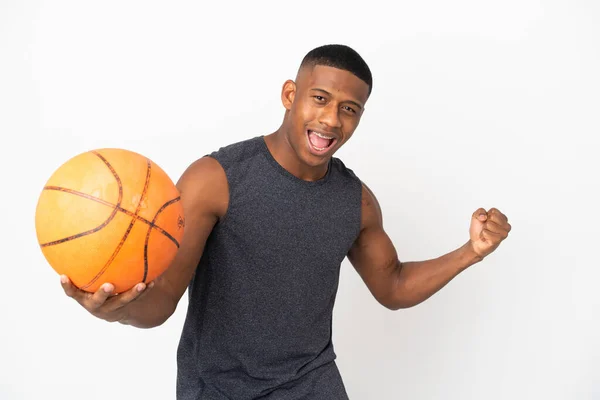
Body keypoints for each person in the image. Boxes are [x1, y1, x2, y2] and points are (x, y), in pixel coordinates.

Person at [60, 44, 511, 399]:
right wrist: (116, 310)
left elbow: (392, 286)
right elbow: (161, 304)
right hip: (217, 390)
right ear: (290, 95)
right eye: (320, 98)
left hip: (312, 383)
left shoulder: (356, 203)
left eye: (349, 109)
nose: (331, 119)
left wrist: (471, 251)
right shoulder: (215, 180)